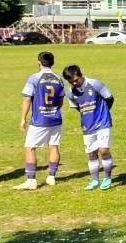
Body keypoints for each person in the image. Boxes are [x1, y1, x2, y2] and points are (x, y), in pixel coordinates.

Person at [15, 50, 64, 190]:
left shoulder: (34, 78)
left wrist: (23, 118)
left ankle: (31, 181)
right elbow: (61, 101)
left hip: (39, 120)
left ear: (39, 62)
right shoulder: (59, 79)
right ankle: (51, 177)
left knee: (30, 147)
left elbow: (27, 99)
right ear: (52, 63)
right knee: (54, 146)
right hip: (56, 118)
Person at [63, 64, 115, 191]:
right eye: (71, 82)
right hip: (87, 126)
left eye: (76, 80)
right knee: (92, 154)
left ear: (81, 75)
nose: (74, 83)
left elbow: (109, 98)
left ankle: (107, 178)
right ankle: (95, 180)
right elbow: (78, 107)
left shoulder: (95, 84)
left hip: (103, 123)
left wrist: (103, 112)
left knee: (104, 150)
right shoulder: (70, 93)